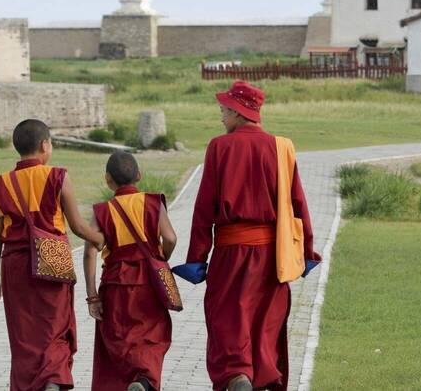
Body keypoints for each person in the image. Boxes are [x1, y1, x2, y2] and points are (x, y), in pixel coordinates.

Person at [179, 81, 322, 391]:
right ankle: (265, 377)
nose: (220, 117)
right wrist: (307, 251)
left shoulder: (219, 146)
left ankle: (237, 374)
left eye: (222, 110)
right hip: (273, 254)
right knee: (265, 320)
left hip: (230, 251)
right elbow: (298, 205)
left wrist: (197, 257)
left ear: (236, 112)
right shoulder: (282, 147)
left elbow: (204, 208)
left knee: (229, 316)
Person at [0, 119, 105, 391]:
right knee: (57, 326)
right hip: (53, 256)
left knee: (24, 335)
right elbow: (78, 226)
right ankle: (52, 377)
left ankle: (32, 384)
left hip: (14, 263)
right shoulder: (58, 176)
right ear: (44, 145)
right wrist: (102, 239)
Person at [84, 151, 177, 391]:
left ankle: (129, 383)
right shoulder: (153, 203)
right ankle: (144, 380)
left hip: (115, 283)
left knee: (117, 339)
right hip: (149, 282)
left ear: (108, 179)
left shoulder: (103, 211)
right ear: (139, 175)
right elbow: (170, 237)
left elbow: (89, 253)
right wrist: (161, 257)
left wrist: (92, 295)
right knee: (153, 334)